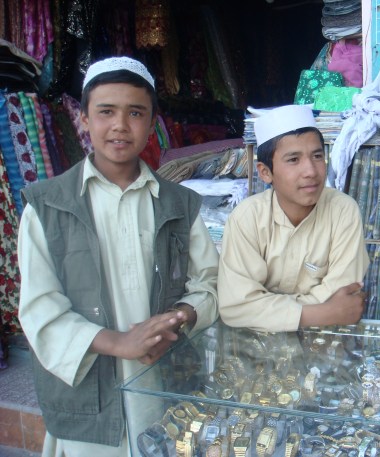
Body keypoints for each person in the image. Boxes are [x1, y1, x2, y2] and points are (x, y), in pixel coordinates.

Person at [17, 56, 219, 457]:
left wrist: (178, 319)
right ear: (85, 120)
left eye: (135, 113)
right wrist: (119, 342)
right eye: (106, 111)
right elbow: (40, 310)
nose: (120, 126)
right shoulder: (47, 206)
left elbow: (210, 285)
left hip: (162, 385)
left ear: (152, 124)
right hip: (88, 400)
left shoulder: (182, 204)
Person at [218, 104, 370, 332]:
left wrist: (264, 309)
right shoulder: (247, 218)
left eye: (317, 156)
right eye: (293, 160)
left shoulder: (342, 211)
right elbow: (235, 306)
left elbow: (344, 296)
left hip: (323, 346)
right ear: (265, 172)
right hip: (258, 351)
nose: (310, 170)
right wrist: (324, 313)